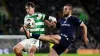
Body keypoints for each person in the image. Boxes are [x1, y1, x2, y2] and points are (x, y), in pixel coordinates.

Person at [24, 4, 89, 56]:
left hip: (66, 39)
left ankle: (30, 34)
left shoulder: (74, 19)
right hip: (60, 41)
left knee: (50, 37)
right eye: (63, 9)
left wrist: (85, 37)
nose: (63, 10)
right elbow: (52, 26)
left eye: (65, 9)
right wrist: (44, 19)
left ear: (70, 10)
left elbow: (84, 26)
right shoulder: (61, 20)